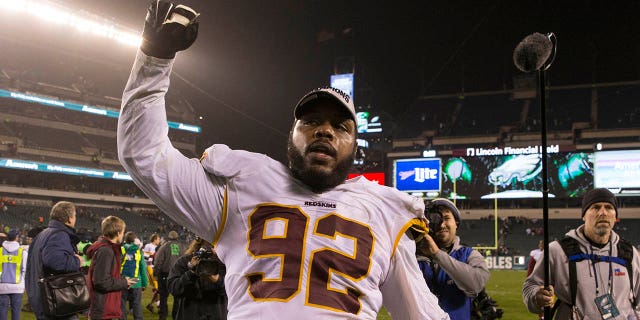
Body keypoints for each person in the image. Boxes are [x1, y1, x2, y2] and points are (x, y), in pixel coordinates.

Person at [117, 2, 448, 319]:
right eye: (311, 122)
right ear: (291, 134)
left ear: (354, 144)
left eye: (340, 126)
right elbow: (145, 157)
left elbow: (422, 313)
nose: (324, 132)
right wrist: (154, 61)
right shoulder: (239, 192)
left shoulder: (385, 211)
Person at [523, 188, 640, 319]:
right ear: (584, 215)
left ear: (615, 216)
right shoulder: (558, 251)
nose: (603, 213)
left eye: (608, 207)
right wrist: (536, 297)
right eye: (595, 207)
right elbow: (531, 286)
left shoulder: (629, 253)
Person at [416, 199, 490, 320]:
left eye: (446, 218)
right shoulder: (414, 256)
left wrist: (437, 254)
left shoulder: (469, 255)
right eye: (436, 218)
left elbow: (477, 283)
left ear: (456, 223)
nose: (441, 224)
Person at [25, 201, 84, 320]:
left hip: (42, 298)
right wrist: (77, 261)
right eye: (75, 215)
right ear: (69, 218)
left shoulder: (42, 234)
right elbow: (55, 261)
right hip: (55, 300)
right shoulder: (59, 234)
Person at [86, 216, 137, 320]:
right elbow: (101, 281)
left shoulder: (107, 249)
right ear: (118, 233)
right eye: (123, 232)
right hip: (102, 308)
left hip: (103, 306)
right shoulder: (106, 251)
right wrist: (124, 282)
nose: (123, 235)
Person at [168, 238, 227, 320]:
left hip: (217, 314)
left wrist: (218, 280)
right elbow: (174, 288)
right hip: (189, 314)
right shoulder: (185, 261)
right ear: (200, 240)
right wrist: (191, 273)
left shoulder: (225, 263)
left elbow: (237, 290)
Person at [153, 231, 185, 320]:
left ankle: (163, 316)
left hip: (165, 274)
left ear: (169, 237)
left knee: (163, 298)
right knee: (177, 298)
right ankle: (176, 316)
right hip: (178, 275)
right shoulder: (182, 247)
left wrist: (155, 273)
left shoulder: (164, 246)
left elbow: (158, 261)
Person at [120, 231, 148, 320]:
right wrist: (144, 283)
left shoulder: (121, 249)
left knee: (122, 303)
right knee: (137, 304)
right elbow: (142, 268)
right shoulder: (138, 251)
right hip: (136, 281)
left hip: (122, 280)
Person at [0, 229, 27, 320]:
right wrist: (23, 285)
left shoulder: (0, 251)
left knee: (2, 312)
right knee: (16, 311)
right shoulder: (22, 252)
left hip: (2, 286)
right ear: (17, 238)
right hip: (17, 286)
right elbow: (25, 270)